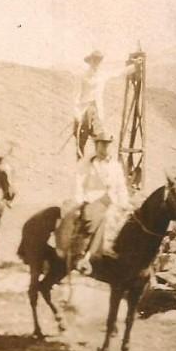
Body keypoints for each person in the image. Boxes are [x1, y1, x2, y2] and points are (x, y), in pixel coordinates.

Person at [72, 131, 131, 274]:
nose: (104, 148)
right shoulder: (87, 164)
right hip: (91, 200)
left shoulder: (115, 166)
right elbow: (78, 183)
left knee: (127, 221)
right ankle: (86, 256)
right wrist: (79, 201)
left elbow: (121, 186)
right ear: (96, 145)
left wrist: (125, 203)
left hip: (111, 201)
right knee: (102, 218)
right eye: (102, 144)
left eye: (107, 145)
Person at [73, 50, 108, 160]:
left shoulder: (102, 75)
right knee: (81, 141)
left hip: (97, 111)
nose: (96, 63)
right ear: (90, 61)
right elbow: (76, 95)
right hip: (85, 110)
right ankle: (81, 165)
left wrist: (134, 66)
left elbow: (118, 72)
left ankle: (97, 165)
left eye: (99, 61)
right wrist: (77, 114)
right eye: (94, 60)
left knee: (101, 139)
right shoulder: (83, 76)